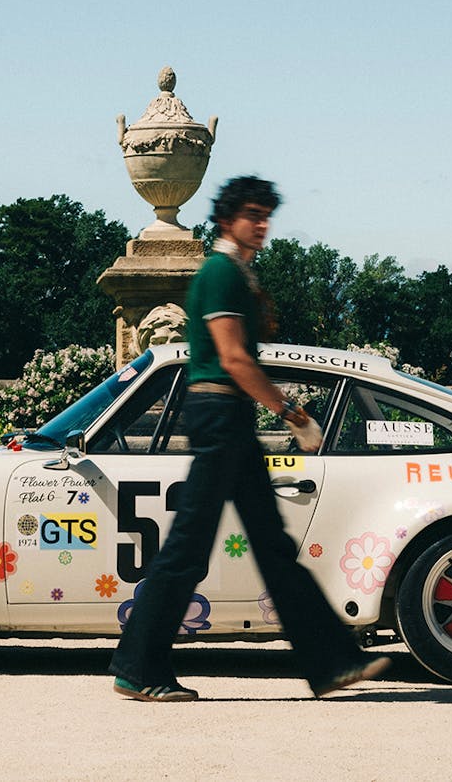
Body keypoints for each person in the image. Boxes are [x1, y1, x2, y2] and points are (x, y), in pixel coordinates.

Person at [109, 176, 389, 702]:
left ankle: (331, 662)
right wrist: (290, 412)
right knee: (192, 549)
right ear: (226, 219)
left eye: (266, 216)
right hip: (218, 412)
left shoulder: (233, 272)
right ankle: (138, 666)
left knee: (267, 548)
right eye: (253, 216)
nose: (262, 226)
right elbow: (235, 359)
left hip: (225, 414)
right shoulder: (218, 273)